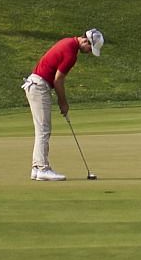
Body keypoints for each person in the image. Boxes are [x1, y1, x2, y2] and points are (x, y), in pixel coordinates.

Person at [24, 29, 103, 181]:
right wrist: (63, 103)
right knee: (44, 130)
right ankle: (42, 169)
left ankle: (36, 168)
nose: (88, 52)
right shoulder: (71, 53)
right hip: (38, 85)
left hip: (36, 84)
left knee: (41, 129)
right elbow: (58, 80)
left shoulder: (68, 42)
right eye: (89, 48)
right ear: (86, 41)